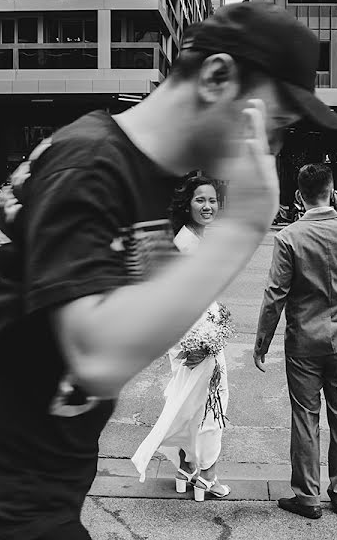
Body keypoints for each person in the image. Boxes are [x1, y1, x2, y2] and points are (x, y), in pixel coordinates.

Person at [0, 1, 337, 540]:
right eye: (276, 125)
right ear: (217, 76)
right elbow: (98, 356)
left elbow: (147, 320)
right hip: (0, 492)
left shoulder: (139, 177)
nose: (275, 149)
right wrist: (243, 226)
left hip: (35, 479)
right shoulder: (91, 165)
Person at [253, 163, 337, 520]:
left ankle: (307, 497)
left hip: (304, 342)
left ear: (298, 196)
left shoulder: (289, 237)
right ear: (333, 191)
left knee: (305, 419)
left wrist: (261, 344)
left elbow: (275, 294)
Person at [131, 175, 232, 501]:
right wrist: (201, 343)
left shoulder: (194, 239)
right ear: (187, 204)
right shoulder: (186, 244)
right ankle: (207, 477)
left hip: (199, 335)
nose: (208, 206)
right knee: (211, 407)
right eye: (201, 200)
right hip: (198, 340)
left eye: (212, 200)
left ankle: (186, 469)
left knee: (189, 404)